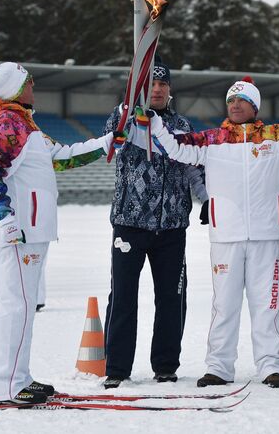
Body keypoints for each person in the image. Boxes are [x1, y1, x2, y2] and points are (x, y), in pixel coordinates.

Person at [149, 51, 279, 389]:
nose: (235, 104)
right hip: (226, 238)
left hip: (265, 237)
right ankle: (219, 367)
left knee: (267, 305)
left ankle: (271, 366)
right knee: (224, 306)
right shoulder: (211, 141)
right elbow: (175, 147)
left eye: (242, 99)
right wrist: (153, 124)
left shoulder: (275, 137)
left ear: (255, 107)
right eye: (231, 99)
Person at [0, 59, 117, 405]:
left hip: (31, 229)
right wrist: (5, 219)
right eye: (30, 83)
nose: (34, 88)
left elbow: (62, 156)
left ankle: (19, 377)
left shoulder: (25, 125)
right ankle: (6, 385)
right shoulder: (7, 122)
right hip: (17, 231)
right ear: (15, 87)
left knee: (22, 307)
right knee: (15, 307)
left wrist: (106, 143)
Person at [102, 61, 208, 389]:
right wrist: (129, 111)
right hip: (130, 225)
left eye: (163, 85)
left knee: (172, 298)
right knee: (123, 297)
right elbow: (112, 140)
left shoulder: (181, 124)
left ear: (170, 89)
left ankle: (165, 365)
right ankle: (117, 368)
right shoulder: (122, 119)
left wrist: (208, 200)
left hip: (172, 229)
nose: (158, 89)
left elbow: (193, 167)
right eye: (151, 85)